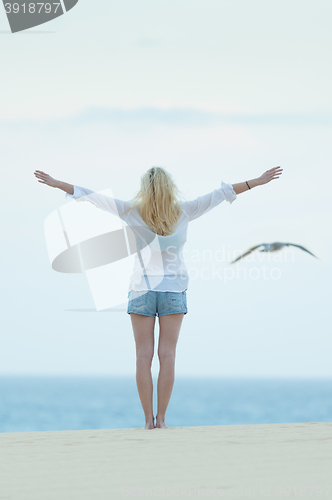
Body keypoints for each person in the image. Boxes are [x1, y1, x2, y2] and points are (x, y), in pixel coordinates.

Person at [34, 165, 283, 429]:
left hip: (141, 290)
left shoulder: (131, 211)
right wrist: (257, 181)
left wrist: (58, 183)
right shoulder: (184, 211)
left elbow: (91, 197)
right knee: (168, 355)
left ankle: (147, 421)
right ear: (169, 188)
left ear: (144, 189)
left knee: (143, 356)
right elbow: (222, 194)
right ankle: (162, 420)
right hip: (173, 291)